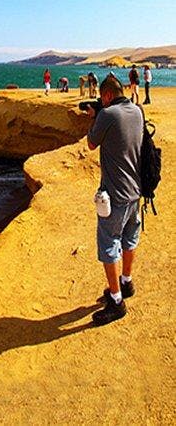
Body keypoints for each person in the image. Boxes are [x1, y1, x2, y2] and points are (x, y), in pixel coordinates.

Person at [85, 73, 143, 325]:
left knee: (109, 244)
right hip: (135, 191)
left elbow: (91, 143)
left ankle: (116, 301)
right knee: (130, 238)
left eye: (101, 98)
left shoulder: (107, 115)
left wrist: (95, 117)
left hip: (115, 196)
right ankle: (126, 283)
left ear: (107, 95)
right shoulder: (137, 111)